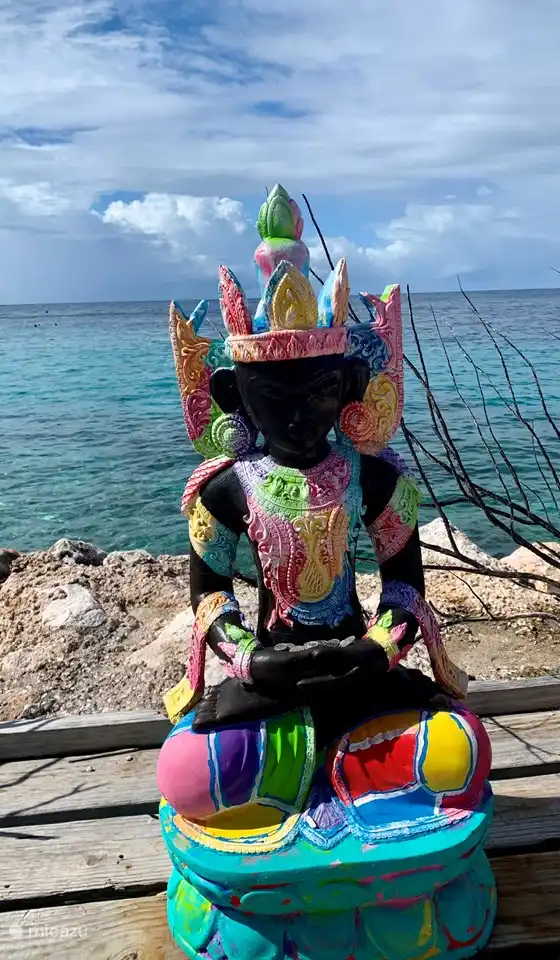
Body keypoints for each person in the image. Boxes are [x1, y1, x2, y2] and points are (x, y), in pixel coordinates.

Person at [157, 185, 495, 960]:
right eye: (277, 397)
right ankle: (354, 793)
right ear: (239, 393)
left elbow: (405, 589)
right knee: (183, 768)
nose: (301, 413)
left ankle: (305, 796)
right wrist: (253, 656)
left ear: (347, 388)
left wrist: (378, 647)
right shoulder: (225, 488)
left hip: (357, 664)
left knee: (462, 744)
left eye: (319, 392)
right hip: (272, 674)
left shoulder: (377, 480)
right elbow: (210, 598)